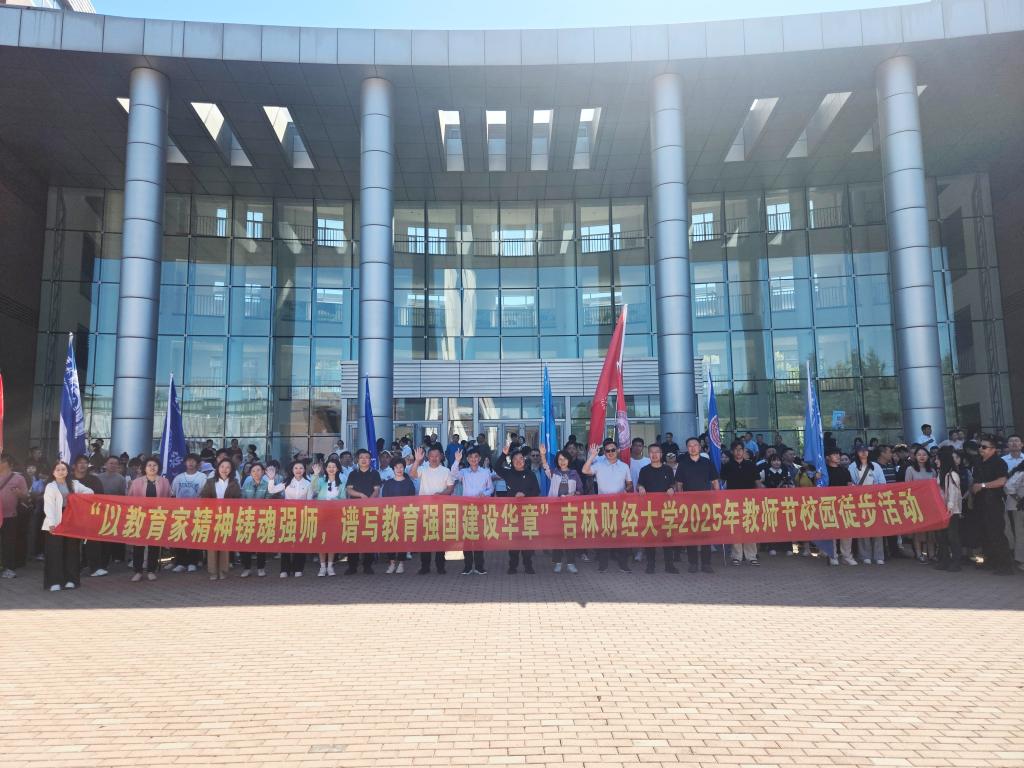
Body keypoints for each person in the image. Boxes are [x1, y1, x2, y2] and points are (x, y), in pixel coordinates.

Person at [582, 439, 633, 573]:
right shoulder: (599, 465)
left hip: (620, 506)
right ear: (604, 452)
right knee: (604, 536)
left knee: (621, 536)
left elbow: (629, 483)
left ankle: (623, 564)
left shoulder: (624, 466)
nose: (610, 452)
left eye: (613, 450)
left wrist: (627, 489)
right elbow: (585, 470)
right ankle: (603, 564)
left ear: (618, 451)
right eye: (607, 451)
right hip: (603, 506)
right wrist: (592, 456)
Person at [42, 460, 93, 591]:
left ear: (67, 471)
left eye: (63, 469)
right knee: (55, 551)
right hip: (55, 520)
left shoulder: (74, 483)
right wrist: (52, 523)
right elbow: (49, 506)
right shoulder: (50, 486)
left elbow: (90, 492)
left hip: (71, 520)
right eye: (58, 469)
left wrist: (76, 497)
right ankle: (54, 581)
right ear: (53, 472)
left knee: (72, 550)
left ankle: (71, 580)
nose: (61, 472)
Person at [493, 442, 541, 575]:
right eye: (515, 459)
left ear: (524, 460)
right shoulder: (508, 473)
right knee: (513, 540)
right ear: (512, 462)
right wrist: (504, 454)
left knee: (527, 540)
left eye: (521, 459)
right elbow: (496, 467)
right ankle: (513, 566)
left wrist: (524, 495)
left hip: (528, 512)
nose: (518, 461)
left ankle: (528, 565)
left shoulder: (530, 474)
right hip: (512, 512)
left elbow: (536, 491)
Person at [674, 437, 719, 573]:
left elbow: (715, 482)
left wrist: (717, 498)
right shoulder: (683, 464)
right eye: (690, 446)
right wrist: (681, 500)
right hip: (689, 505)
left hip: (706, 504)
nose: (693, 448)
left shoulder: (707, 462)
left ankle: (706, 563)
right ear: (687, 448)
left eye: (695, 445)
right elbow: (679, 484)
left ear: (699, 447)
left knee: (706, 534)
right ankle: (693, 563)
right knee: (691, 534)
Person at [408, 445, 455, 574]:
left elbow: (450, 488)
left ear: (441, 457)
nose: (434, 458)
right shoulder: (423, 469)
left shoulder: (446, 471)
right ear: (428, 457)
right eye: (432, 456)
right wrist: (417, 460)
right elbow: (412, 474)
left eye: (437, 456)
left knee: (440, 539)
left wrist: (441, 494)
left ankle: (440, 566)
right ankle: (425, 566)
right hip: (425, 510)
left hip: (441, 510)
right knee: (425, 539)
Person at [971, 435, 1013, 575]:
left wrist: (983, 485)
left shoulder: (999, 462)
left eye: (984, 447)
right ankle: (990, 561)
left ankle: (1005, 565)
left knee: (996, 533)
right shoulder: (978, 462)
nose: (981, 449)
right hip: (980, 502)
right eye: (980, 446)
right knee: (984, 533)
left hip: (993, 502)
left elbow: (1002, 481)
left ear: (993, 449)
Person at [125, 457, 171, 582]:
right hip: (140, 516)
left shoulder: (164, 482)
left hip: (157, 516)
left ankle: (151, 570)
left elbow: (168, 498)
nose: (152, 467)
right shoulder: (136, 482)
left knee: (154, 544)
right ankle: (138, 571)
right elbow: (130, 498)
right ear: (144, 468)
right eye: (149, 465)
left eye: (154, 465)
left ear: (158, 468)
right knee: (138, 545)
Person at [539, 445, 583, 573]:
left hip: (570, 510)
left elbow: (580, 490)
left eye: (564, 459)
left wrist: (573, 494)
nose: (562, 461)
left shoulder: (574, 474)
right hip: (555, 510)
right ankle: (557, 562)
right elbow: (545, 466)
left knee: (570, 537)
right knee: (557, 536)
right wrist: (543, 454)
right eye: (560, 459)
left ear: (569, 460)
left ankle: (570, 563)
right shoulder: (554, 473)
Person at [450, 447, 493, 575]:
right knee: (467, 537)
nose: (473, 459)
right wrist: (457, 461)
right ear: (468, 459)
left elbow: (491, 488)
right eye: (471, 457)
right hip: (467, 509)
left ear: (479, 458)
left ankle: (479, 566)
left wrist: (485, 494)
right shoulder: (463, 472)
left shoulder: (485, 472)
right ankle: (468, 566)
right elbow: (453, 474)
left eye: (476, 457)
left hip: (480, 508)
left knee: (479, 538)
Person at [636, 443, 678, 574]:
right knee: (650, 537)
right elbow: (639, 484)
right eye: (652, 452)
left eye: (657, 452)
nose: (654, 455)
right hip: (649, 509)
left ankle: (669, 565)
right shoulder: (644, 470)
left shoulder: (667, 469)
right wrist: (640, 487)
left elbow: (673, 484)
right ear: (649, 454)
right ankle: (651, 564)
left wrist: (672, 488)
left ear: (661, 454)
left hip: (666, 509)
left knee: (667, 537)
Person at [720, 440, 762, 566]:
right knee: (736, 528)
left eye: (740, 449)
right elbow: (722, 483)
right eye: (736, 449)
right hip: (733, 502)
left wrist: (761, 496)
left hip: (750, 501)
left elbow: (757, 482)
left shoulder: (751, 465)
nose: (738, 452)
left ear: (744, 451)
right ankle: (736, 556)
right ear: (732, 451)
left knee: (750, 527)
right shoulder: (727, 466)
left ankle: (751, 556)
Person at [199, 458, 241, 580]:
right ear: (218, 468)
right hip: (212, 517)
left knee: (224, 545)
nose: (224, 469)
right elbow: (203, 497)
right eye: (222, 466)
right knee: (212, 545)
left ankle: (223, 570)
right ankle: (213, 571)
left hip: (227, 517)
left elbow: (238, 499)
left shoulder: (234, 483)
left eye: (228, 467)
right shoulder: (210, 482)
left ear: (231, 470)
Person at [269, 460, 312, 577]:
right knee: (286, 542)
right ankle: (284, 569)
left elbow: (310, 501)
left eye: (301, 468)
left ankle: (298, 568)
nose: (298, 470)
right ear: (292, 470)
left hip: (302, 516)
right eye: (296, 468)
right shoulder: (286, 482)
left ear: (304, 470)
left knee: (300, 542)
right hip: (288, 516)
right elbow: (271, 490)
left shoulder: (308, 483)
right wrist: (271, 479)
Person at [344, 450, 381, 575]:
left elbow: (377, 490)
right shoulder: (353, 474)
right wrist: (360, 495)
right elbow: (349, 490)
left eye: (367, 457)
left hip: (370, 509)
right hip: (354, 510)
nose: (364, 460)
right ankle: (352, 566)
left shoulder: (375, 473)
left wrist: (369, 501)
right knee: (353, 537)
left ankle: (367, 565)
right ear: (357, 460)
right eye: (361, 457)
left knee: (368, 537)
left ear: (370, 460)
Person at [850, 444, 886, 565]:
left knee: (878, 528)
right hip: (860, 501)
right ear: (856, 453)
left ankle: (879, 555)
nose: (864, 453)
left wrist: (875, 489)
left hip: (875, 499)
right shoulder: (852, 467)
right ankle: (865, 555)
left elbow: (882, 482)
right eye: (861, 451)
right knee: (863, 528)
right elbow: (851, 484)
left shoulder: (876, 466)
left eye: (865, 450)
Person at [170, 454, 205, 572]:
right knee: (180, 536)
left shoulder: (202, 477)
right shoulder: (178, 478)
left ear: (198, 463)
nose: (191, 463)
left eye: (193, 461)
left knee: (194, 537)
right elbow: (173, 494)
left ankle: (193, 562)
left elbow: (205, 495)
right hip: (180, 512)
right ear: (185, 463)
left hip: (196, 512)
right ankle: (181, 562)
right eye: (188, 461)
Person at [381, 456, 416, 574]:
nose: (399, 469)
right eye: (396, 467)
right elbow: (385, 500)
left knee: (402, 540)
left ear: (404, 468)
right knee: (390, 539)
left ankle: (401, 563)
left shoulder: (409, 483)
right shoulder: (388, 484)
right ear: (393, 469)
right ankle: (391, 563)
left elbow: (412, 500)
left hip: (404, 516)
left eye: (401, 467)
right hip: (391, 515)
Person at [934, 446, 964, 572]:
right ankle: (945, 560)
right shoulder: (942, 474)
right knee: (942, 536)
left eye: (937, 459)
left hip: (951, 511)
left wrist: (949, 508)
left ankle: (956, 562)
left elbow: (953, 493)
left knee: (952, 536)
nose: (936, 461)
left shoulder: (951, 475)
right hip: (943, 510)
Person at [904, 446, 936, 562]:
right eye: (919, 455)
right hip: (916, 503)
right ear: (915, 457)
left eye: (924, 454)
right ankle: (919, 553)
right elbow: (907, 486)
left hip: (930, 503)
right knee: (918, 530)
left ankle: (931, 554)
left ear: (928, 456)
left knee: (931, 530)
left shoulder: (932, 471)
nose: (922, 457)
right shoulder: (910, 469)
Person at [0, 454, 29, 578]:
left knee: (8, 542)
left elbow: (26, 496)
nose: (0, 463)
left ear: (10, 464)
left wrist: (19, 494)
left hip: (10, 515)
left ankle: (9, 568)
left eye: (3, 461)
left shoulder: (18, 478)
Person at [825, 447, 855, 566]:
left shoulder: (845, 471)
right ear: (828, 457)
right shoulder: (824, 471)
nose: (837, 456)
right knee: (831, 531)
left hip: (844, 504)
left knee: (846, 531)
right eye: (834, 454)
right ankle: (833, 555)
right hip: (829, 504)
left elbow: (849, 485)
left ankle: (846, 556)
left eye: (838, 454)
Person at [239, 462, 270, 577]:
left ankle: (261, 568)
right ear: (250, 473)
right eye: (253, 471)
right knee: (245, 543)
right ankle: (246, 568)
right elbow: (242, 500)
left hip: (262, 518)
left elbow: (269, 501)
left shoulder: (268, 485)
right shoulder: (246, 485)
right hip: (248, 517)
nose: (256, 473)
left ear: (263, 472)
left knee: (261, 544)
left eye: (258, 470)